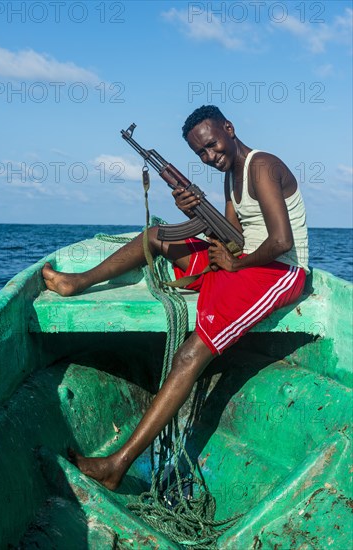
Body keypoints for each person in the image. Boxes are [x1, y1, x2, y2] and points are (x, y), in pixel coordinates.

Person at [42, 105, 309, 490]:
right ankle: (79, 281)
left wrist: (236, 266)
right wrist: (192, 210)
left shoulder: (262, 166)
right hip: (246, 259)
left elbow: (281, 241)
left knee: (190, 353)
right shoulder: (231, 176)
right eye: (201, 153)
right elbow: (229, 237)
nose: (209, 156)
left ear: (229, 129)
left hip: (279, 271)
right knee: (158, 235)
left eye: (213, 145)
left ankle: (116, 465)